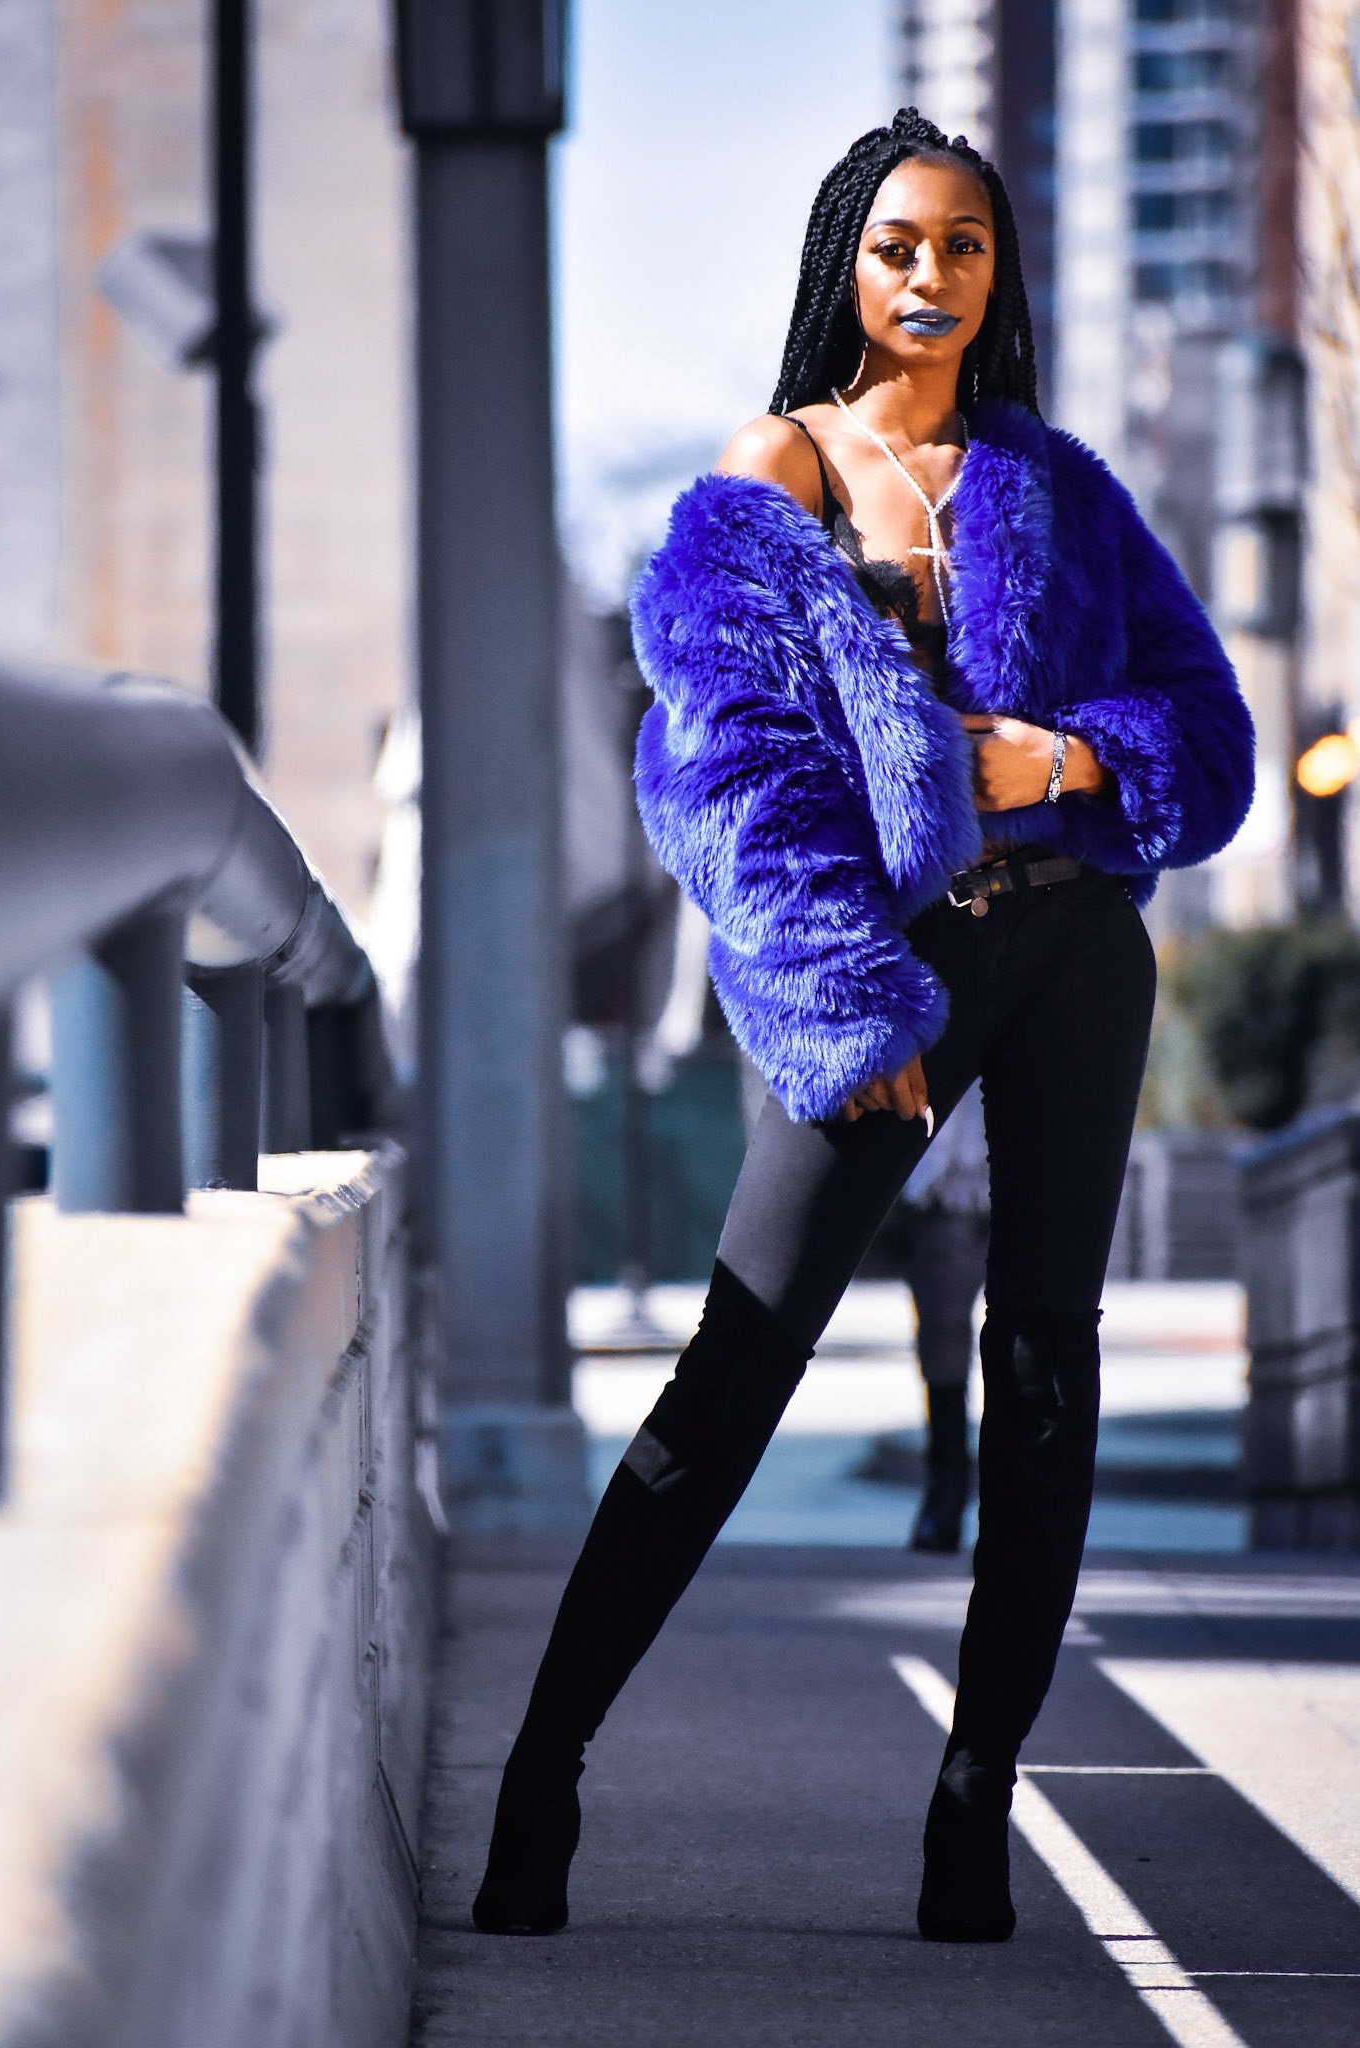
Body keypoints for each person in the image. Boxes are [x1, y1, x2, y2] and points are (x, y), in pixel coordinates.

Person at [473, 107, 1254, 1945]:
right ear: (847, 261)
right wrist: (840, 995)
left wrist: (1070, 758)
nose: (929, 274)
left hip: (1079, 951)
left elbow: (1206, 730)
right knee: (738, 1363)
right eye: (898, 244)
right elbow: (727, 771)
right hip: (892, 964)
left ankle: (974, 1803)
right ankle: (542, 1774)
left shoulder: (1059, 484)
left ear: (999, 272)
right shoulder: (781, 466)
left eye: (963, 244)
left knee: (1043, 1372)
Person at [898, 1077, 987, 1552]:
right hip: (955, 1197)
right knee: (944, 1346)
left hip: (965, 1194)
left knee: (949, 1346)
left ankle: (948, 1497)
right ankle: (946, 1495)